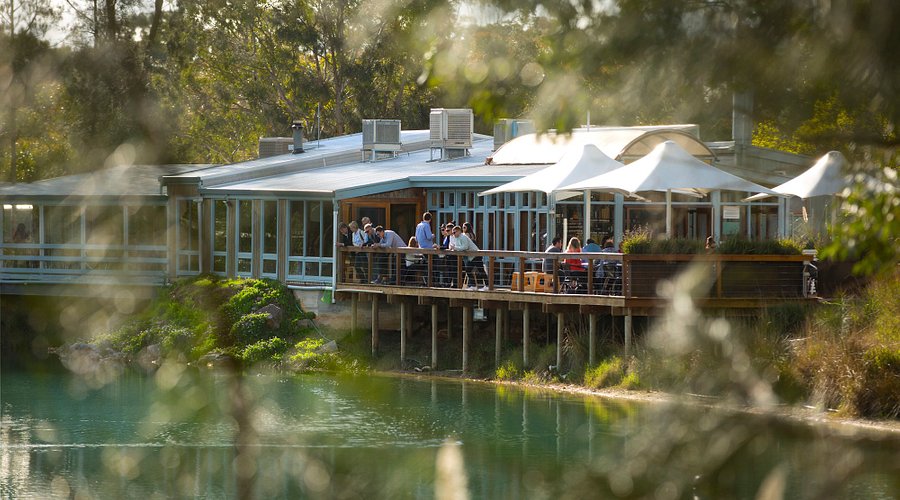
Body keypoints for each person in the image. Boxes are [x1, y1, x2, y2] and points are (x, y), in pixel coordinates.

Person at [449, 225, 487, 290]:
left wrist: (455, 248)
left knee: (481, 271)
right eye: (452, 233)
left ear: (459, 232)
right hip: (470, 257)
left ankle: (487, 286)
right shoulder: (456, 238)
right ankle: (473, 286)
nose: (453, 234)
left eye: (454, 232)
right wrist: (452, 247)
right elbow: (454, 245)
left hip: (476, 255)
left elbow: (465, 247)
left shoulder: (463, 237)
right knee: (468, 270)